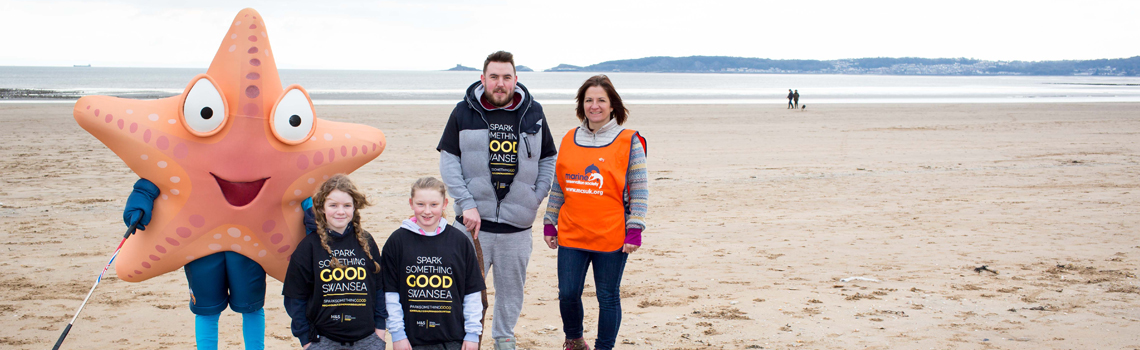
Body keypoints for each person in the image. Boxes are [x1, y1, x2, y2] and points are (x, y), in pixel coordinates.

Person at [436, 50, 557, 350]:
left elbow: (548, 158)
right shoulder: (463, 112)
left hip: (516, 228)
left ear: (516, 80)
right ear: (483, 79)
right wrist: (467, 204)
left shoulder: (533, 112)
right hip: (472, 226)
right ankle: (465, 340)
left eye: (506, 77)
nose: (500, 84)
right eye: (494, 77)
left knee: (511, 292)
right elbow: (449, 162)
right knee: (461, 290)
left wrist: (535, 197)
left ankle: (503, 339)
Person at [543, 75, 648, 350]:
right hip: (572, 233)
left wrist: (635, 228)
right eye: (589, 100)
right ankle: (574, 340)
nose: (595, 105)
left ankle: (604, 347)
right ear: (582, 105)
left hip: (611, 235)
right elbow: (559, 187)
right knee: (567, 294)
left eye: (601, 100)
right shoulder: (568, 138)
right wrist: (549, 222)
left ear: (612, 105)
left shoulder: (629, 141)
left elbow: (639, 189)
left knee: (608, 296)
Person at [123, 179, 266, 350]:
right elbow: (156, 173)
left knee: (251, 306)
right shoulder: (185, 151)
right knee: (207, 309)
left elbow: (287, 177)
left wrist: (306, 208)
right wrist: (140, 199)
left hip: (247, 237)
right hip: (200, 241)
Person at [283, 174, 388, 349]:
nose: (340, 211)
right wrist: (306, 339)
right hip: (323, 340)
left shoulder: (367, 242)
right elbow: (294, 297)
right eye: (333, 205)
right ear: (322, 208)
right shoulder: (308, 247)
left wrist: (380, 329)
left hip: (368, 339)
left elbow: (378, 288)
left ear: (354, 207)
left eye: (347, 205)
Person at [383, 177, 486, 350]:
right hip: (411, 339)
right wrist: (397, 333)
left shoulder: (459, 241)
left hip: (452, 339)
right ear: (411, 203)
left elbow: (472, 292)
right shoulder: (397, 241)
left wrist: (473, 334)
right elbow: (390, 294)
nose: (427, 211)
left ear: (445, 204)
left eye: (434, 205)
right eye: (420, 204)